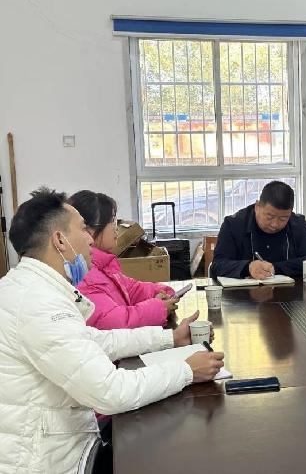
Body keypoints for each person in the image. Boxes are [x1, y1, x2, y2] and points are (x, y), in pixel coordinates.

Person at [0, 188, 225, 472]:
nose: (89, 239)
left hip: (60, 443)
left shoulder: (28, 289)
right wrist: (187, 370)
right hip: (49, 461)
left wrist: (169, 338)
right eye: (83, 229)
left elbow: (98, 340)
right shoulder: (39, 304)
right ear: (60, 240)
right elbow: (111, 392)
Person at [68, 190, 179, 330]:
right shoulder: (85, 274)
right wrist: (159, 308)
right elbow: (113, 322)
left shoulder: (103, 266)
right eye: (112, 221)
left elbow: (131, 289)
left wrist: (162, 291)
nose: (116, 228)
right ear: (89, 230)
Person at [211, 181, 306, 279]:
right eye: (270, 217)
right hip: (243, 296)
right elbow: (217, 266)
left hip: (290, 294)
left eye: (283, 219)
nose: (275, 224)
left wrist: (275, 268)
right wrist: (248, 267)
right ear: (257, 207)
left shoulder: (298, 224)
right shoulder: (233, 224)